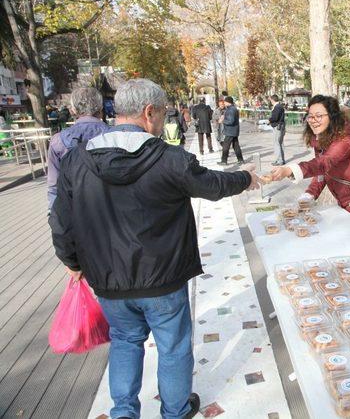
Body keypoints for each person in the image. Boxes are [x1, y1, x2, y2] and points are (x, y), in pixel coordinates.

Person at [49, 78, 260, 419]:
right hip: (163, 279)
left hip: (107, 280)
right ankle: (175, 412)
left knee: (125, 342)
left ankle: (123, 413)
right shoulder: (169, 158)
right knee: (173, 347)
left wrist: (74, 262)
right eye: (163, 114)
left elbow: (60, 221)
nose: (164, 121)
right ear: (149, 113)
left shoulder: (76, 161)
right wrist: (246, 177)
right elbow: (214, 185)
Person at [270, 95, 350, 214]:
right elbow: (322, 173)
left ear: (332, 117)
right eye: (310, 116)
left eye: (318, 116)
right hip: (346, 205)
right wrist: (309, 195)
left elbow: (322, 164)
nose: (313, 120)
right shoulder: (323, 141)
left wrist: (290, 169)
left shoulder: (344, 141)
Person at [47, 87, 109, 212]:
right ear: (101, 109)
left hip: (74, 212)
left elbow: (54, 185)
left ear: (73, 110)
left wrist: (53, 214)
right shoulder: (116, 136)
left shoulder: (58, 141)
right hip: (110, 213)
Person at [217, 96, 244, 165]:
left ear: (227, 102)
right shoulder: (232, 108)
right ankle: (240, 160)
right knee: (236, 145)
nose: (224, 103)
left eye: (225, 102)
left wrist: (222, 121)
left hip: (230, 131)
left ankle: (224, 161)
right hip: (233, 130)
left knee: (226, 146)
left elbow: (230, 121)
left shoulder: (231, 110)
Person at [268, 94, 286, 165]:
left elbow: (275, 118)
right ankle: (281, 160)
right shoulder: (279, 106)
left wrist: (269, 120)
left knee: (277, 143)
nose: (270, 102)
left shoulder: (277, 107)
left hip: (278, 127)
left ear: (272, 100)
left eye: (271, 100)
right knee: (280, 143)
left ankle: (279, 160)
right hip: (280, 126)